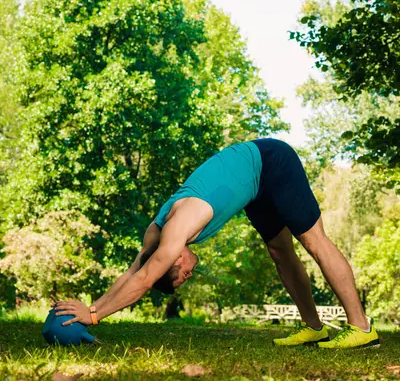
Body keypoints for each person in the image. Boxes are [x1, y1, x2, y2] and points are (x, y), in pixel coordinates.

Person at [55, 138, 380, 349]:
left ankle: (361, 328)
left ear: (174, 261)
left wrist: (95, 318)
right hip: (254, 184)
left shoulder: (175, 233)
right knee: (280, 252)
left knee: (313, 241)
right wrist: (92, 306)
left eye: (180, 277)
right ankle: (315, 327)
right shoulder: (154, 237)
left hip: (271, 161)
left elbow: (143, 279)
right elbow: (133, 272)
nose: (188, 278)